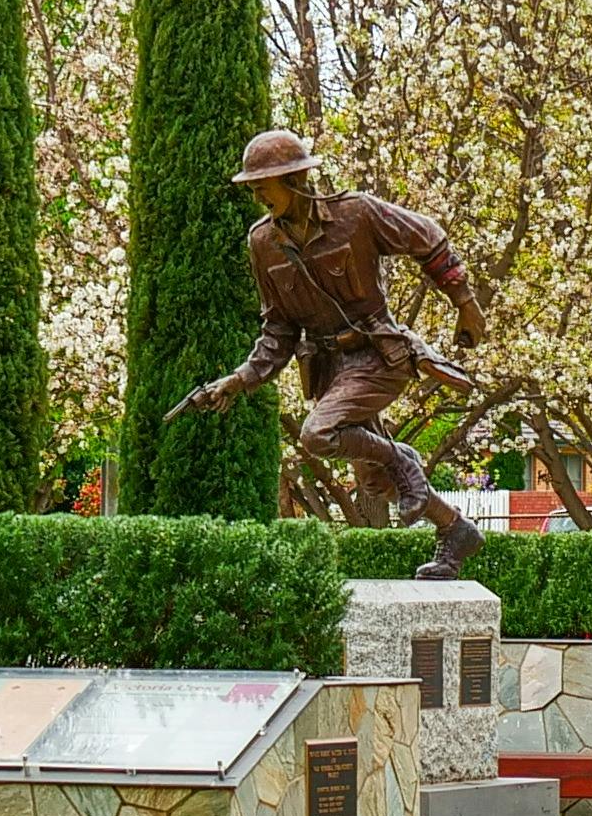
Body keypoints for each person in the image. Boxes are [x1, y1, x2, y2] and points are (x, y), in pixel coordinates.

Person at [172, 130, 489, 577]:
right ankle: (456, 531)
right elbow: (278, 330)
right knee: (378, 483)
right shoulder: (263, 243)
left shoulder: (355, 214)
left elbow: (428, 238)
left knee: (317, 435)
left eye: (265, 185)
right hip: (330, 372)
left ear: (295, 178)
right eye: (254, 187)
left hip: (379, 356)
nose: (259, 195)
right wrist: (240, 378)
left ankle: (402, 457)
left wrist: (466, 305)